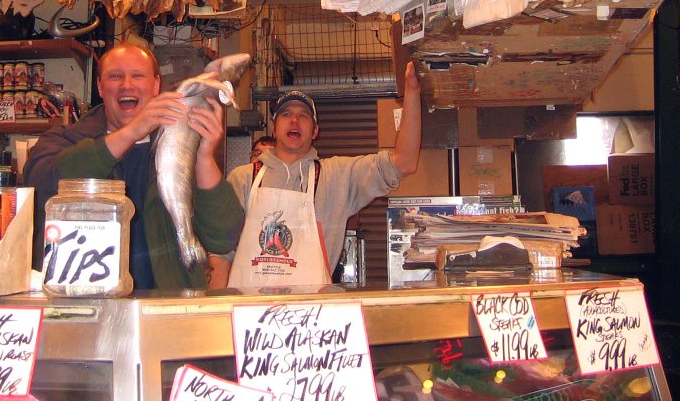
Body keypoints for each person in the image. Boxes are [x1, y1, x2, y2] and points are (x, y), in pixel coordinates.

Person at [23, 42, 244, 290]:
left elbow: (223, 237)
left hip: (165, 309)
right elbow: (41, 187)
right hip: (85, 304)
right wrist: (133, 131)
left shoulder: (178, 148)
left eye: (138, 76)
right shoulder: (64, 139)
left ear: (156, 85)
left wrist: (204, 156)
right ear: (100, 87)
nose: (126, 85)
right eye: (115, 76)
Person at [226, 61, 422, 288]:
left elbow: (404, 162)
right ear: (273, 127)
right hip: (249, 314)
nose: (294, 120)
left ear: (315, 131)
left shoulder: (337, 176)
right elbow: (220, 253)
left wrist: (412, 92)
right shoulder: (242, 179)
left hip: (315, 314)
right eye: (286, 114)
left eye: (304, 116)